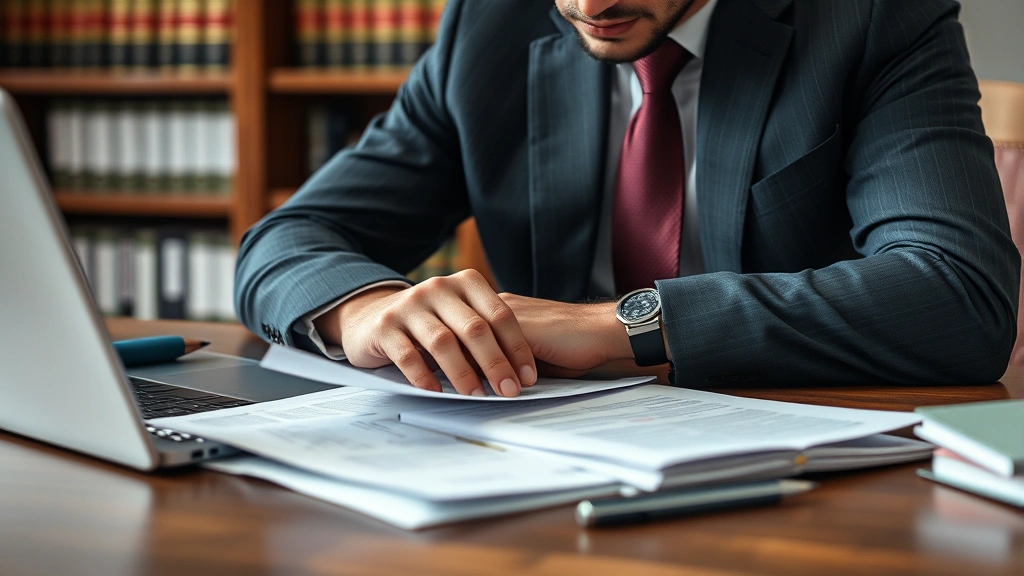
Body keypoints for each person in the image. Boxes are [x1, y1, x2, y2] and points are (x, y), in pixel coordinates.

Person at [236, 0, 1019, 398]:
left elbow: (958, 296)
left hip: (804, 472)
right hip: (535, 470)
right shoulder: (490, 25)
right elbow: (288, 240)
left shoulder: (875, 18)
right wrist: (364, 307)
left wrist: (618, 328)